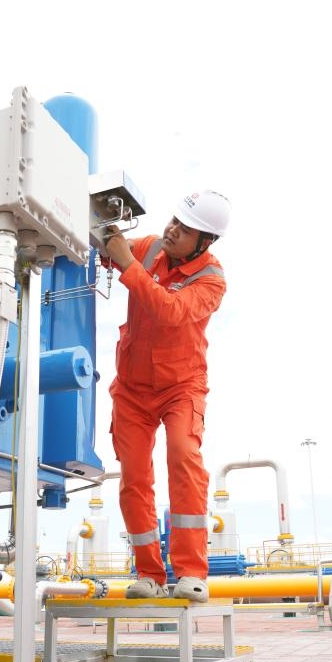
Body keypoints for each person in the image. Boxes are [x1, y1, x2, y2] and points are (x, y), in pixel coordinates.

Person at [100, 190, 230, 603]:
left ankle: (191, 572)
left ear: (204, 241)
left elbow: (170, 312)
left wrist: (125, 262)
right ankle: (149, 574)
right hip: (133, 388)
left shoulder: (212, 279)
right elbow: (107, 248)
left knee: (182, 457)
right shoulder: (150, 247)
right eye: (174, 221)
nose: (172, 231)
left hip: (181, 386)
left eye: (185, 229)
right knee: (134, 475)